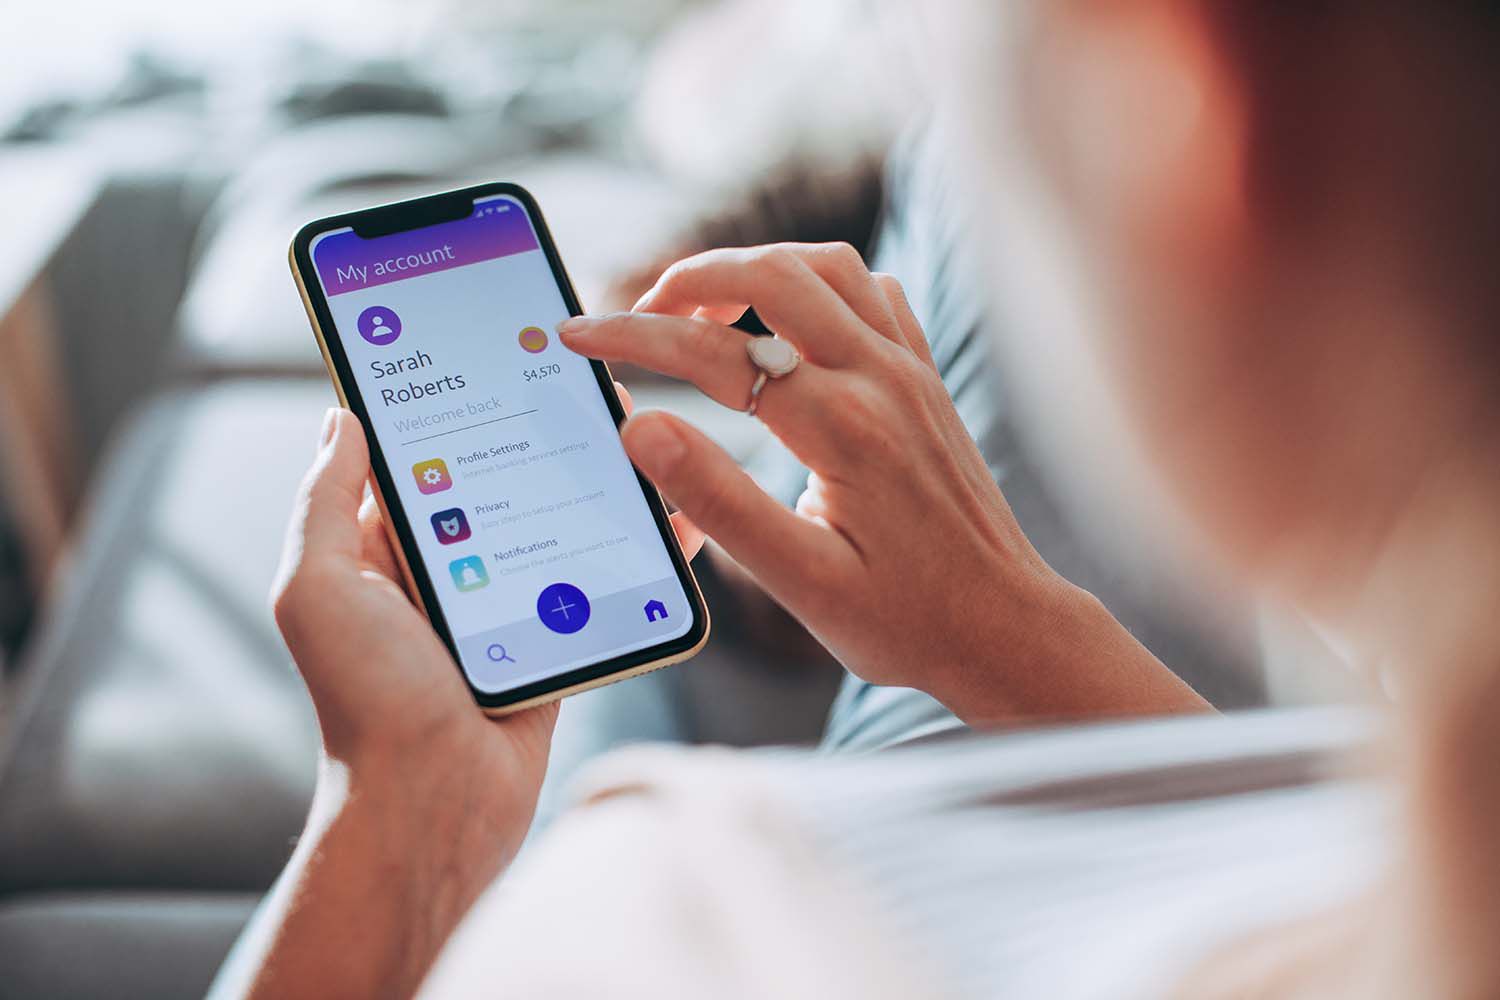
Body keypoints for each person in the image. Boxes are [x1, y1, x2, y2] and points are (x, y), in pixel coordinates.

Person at [222, 3, 1500, 997]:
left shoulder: (670, 909)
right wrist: (1007, 632)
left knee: (942, 180)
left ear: (1197, 100)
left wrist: (402, 816)